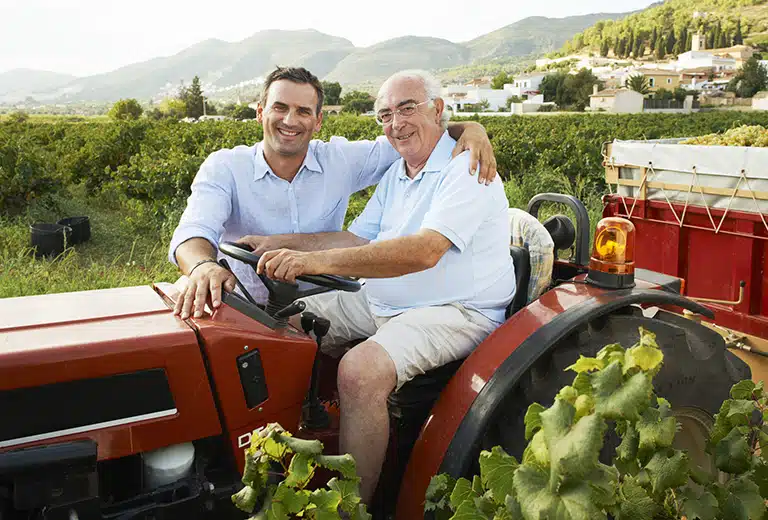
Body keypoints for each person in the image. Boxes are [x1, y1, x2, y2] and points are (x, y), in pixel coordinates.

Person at [253, 69, 516, 503]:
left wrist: (311, 262)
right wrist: (279, 243)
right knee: (285, 325)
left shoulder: (465, 167)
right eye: (385, 115)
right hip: (384, 300)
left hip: (457, 310)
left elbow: (424, 251)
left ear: (438, 109)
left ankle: (354, 507)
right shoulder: (399, 171)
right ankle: (291, 449)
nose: (396, 123)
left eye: (407, 108)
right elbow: (356, 239)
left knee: (359, 371)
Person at [168, 66, 498, 320]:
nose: (290, 120)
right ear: (260, 112)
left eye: (303, 111)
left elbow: (415, 135)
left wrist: (471, 130)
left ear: (318, 120)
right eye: (280, 107)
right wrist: (202, 268)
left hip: (319, 298)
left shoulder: (340, 160)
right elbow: (193, 233)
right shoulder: (225, 166)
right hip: (241, 303)